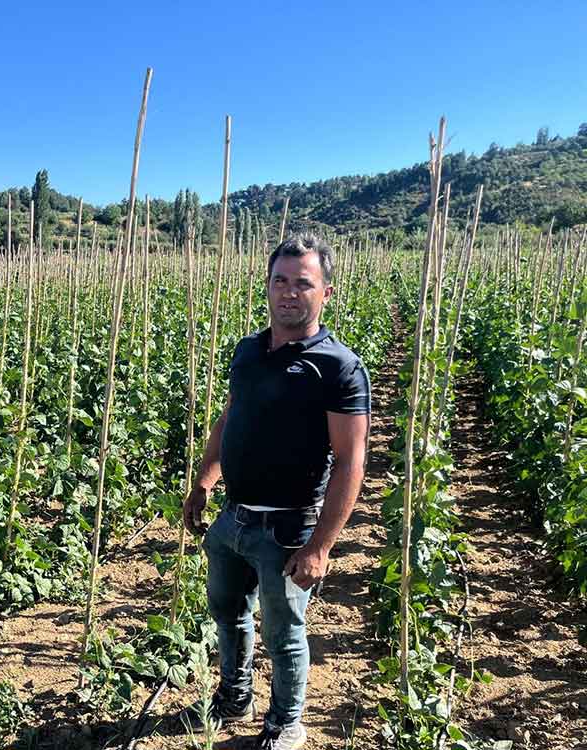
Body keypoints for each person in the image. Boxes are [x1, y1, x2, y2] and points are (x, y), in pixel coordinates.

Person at [181, 233, 371, 749]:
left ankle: (286, 722)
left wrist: (320, 547)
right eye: (280, 281)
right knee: (228, 613)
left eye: (303, 283)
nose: (289, 292)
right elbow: (230, 417)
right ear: (267, 286)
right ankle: (234, 694)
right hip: (233, 518)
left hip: (288, 527)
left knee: (284, 635)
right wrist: (204, 480)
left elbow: (351, 461)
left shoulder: (337, 366)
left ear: (325, 293)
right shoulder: (248, 351)